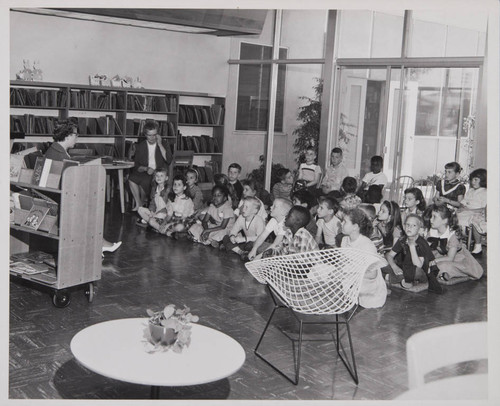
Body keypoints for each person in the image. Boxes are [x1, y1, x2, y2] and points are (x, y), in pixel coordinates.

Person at [46, 120, 121, 253]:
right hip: (60, 197)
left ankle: (96, 244)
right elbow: (69, 181)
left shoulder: (53, 149)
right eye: (76, 135)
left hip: (55, 194)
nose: (77, 138)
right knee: (91, 206)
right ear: (68, 136)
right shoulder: (61, 154)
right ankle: (98, 244)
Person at [340, 208, 387, 308]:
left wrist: (350, 273)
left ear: (355, 227)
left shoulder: (367, 245)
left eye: (344, 221)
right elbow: (343, 263)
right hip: (352, 280)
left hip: (368, 285)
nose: (341, 223)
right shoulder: (344, 240)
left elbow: (372, 274)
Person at [384, 214, 443, 293]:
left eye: (414, 225)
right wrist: (394, 266)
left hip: (421, 271)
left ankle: (393, 277)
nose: (409, 227)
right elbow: (390, 255)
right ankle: (404, 279)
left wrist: (412, 246)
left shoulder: (421, 243)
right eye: (407, 225)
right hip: (405, 267)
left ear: (419, 229)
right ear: (404, 227)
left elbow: (418, 265)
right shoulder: (403, 239)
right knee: (383, 263)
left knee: (416, 272)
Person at [427, 205, 483, 283]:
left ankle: (456, 273)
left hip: (458, 258)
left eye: (434, 217)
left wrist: (435, 261)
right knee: (426, 262)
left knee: (440, 266)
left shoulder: (453, 235)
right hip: (442, 254)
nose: (430, 219)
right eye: (431, 216)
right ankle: (444, 274)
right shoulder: (432, 231)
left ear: (444, 221)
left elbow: (450, 258)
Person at [128, 120, 172, 211]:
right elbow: (137, 165)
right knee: (132, 178)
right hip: (146, 170)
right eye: (149, 135)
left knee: (146, 181)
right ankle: (138, 203)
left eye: (154, 135)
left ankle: (143, 203)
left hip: (159, 172)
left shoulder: (164, 143)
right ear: (145, 135)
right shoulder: (141, 146)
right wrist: (146, 168)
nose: (152, 138)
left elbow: (169, 160)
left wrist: (159, 144)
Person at [456, 169, 487, 255]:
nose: (473, 182)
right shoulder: (470, 191)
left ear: (483, 180)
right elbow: (463, 202)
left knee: (475, 222)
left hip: (478, 213)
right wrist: (462, 207)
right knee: (453, 217)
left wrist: (468, 210)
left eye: (476, 179)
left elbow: (483, 209)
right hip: (467, 211)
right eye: (472, 179)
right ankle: (458, 241)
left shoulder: (485, 192)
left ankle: (478, 246)